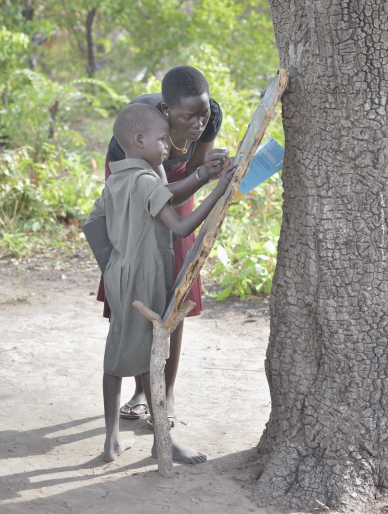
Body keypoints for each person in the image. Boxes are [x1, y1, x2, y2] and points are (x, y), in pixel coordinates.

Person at [86, 103, 234, 463]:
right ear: (139, 140)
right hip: (147, 279)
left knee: (117, 352)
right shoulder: (146, 182)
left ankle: (111, 441)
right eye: (161, 141)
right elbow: (181, 226)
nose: (168, 147)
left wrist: (114, 265)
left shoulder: (118, 178)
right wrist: (219, 190)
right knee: (153, 355)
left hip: (120, 277)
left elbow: (93, 223)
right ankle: (161, 443)